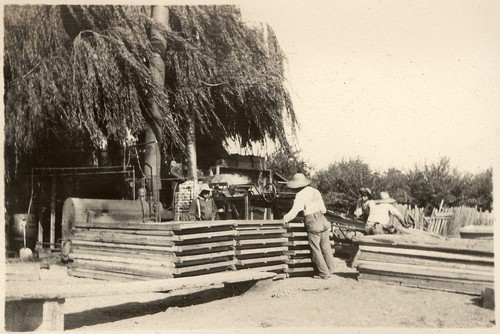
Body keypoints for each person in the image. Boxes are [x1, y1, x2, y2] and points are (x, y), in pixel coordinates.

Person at [283, 173, 335, 279]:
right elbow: (324, 209)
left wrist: (284, 219)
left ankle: (324, 274)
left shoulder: (300, 195)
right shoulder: (315, 191)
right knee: (326, 247)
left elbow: (294, 211)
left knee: (315, 248)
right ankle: (331, 270)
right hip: (323, 219)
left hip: (313, 221)